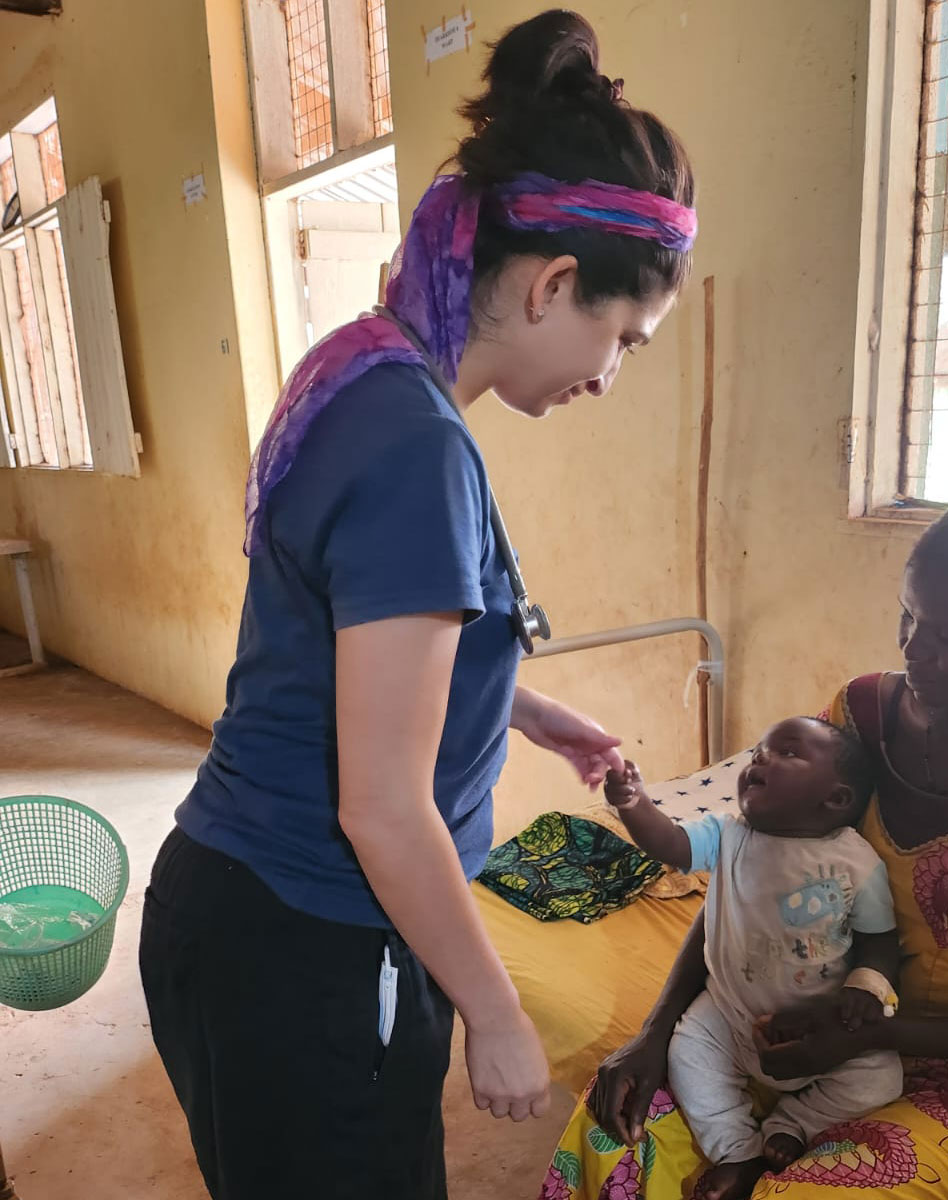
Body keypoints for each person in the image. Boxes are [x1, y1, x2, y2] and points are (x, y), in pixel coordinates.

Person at [138, 12, 696, 1200]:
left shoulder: (368, 365)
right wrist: (494, 1013)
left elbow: (348, 641)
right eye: (624, 339)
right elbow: (385, 809)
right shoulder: (418, 450)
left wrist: (521, 708)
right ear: (554, 284)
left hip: (238, 905)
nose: (609, 376)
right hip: (303, 941)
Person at [547, 476, 948, 1200]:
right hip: (820, 1026)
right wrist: (657, 1029)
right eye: (907, 618)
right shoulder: (862, 715)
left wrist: (878, 1036)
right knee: (610, 1131)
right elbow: (750, 872)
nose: (914, 652)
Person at [603, 716, 902, 1200]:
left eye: (786, 752)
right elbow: (670, 843)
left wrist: (864, 986)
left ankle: (795, 1122)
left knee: (882, 1078)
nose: (760, 758)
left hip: (815, 1022)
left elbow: (880, 941)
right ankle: (738, 1150)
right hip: (728, 1008)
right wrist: (634, 803)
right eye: (759, 751)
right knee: (688, 1051)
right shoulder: (728, 836)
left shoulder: (856, 863)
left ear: (837, 799)